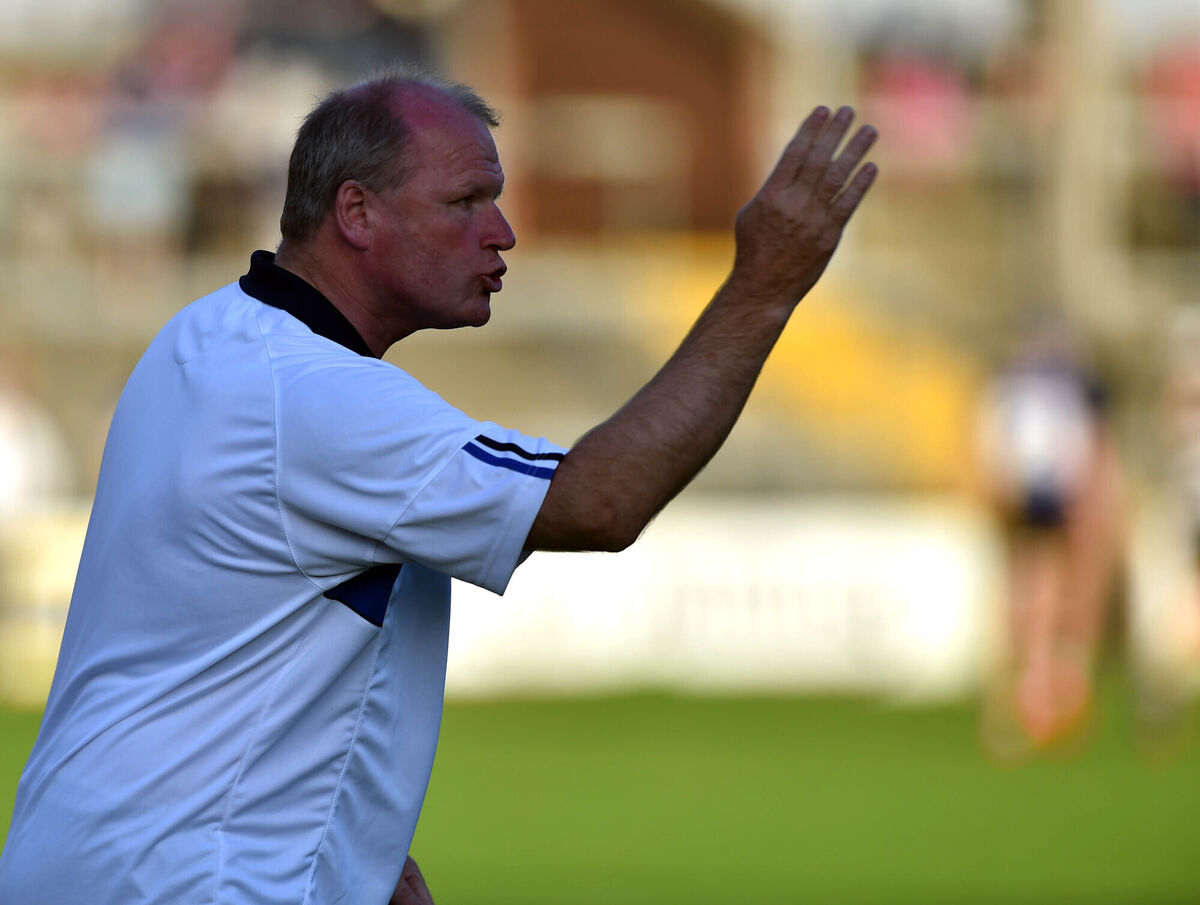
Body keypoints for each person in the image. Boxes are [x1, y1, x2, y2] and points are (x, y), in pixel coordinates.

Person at [0, 68, 877, 905]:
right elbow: (600, 501)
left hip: (83, 858)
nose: (502, 231)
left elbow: (236, 653)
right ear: (356, 212)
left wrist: (348, 859)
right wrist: (765, 287)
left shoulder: (204, 338)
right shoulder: (315, 395)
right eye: (465, 202)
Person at [976, 316, 1124, 755]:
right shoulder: (1053, 390)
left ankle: (1045, 703)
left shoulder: (1016, 387)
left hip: (1041, 498)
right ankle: (1041, 704)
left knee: (1042, 603)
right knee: (1050, 603)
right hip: (1049, 499)